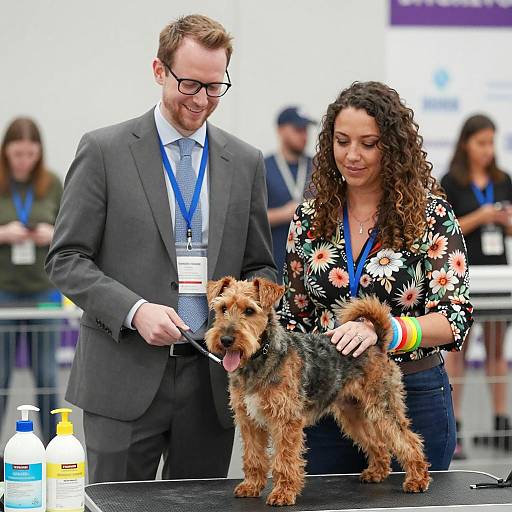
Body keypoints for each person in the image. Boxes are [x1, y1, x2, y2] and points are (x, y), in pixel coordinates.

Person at [45, 14, 276, 484]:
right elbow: (66, 258)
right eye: (189, 83)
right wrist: (135, 310)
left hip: (214, 380)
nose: (201, 100)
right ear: (158, 71)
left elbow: (259, 265)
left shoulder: (246, 162)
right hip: (123, 376)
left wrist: (251, 316)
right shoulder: (104, 151)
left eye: (215, 87)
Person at [278, 81, 473, 473]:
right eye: (342, 140)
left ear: (395, 147)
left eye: (369, 143)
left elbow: (455, 318)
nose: (352, 155)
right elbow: (293, 317)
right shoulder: (308, 219)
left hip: (413, 395)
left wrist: (385, 331)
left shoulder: (430, 216)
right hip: (325, 399)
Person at [441, 114, 512, 459]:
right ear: (466, 143)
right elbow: (448, 227)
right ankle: (457, 426)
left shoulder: (502, 180)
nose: (487, 150)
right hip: (465, 275)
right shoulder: (451, 182)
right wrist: (483, 215)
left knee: (498, 352)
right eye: (481, 142)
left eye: (491, 143)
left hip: (498, 275)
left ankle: (501, 424)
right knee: (459, 354)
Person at [0, 117, 63, 444]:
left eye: (30, 153)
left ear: (39, 152)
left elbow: (69, 230)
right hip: (3, 295)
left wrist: (51, 234)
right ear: (6, 152)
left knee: (46, 377)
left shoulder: (51, 183)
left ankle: (55, 446)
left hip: (43, 292)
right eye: (17, 153)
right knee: (1, 377)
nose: (24, 160)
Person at [265, 107, 315, 282]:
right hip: (274, 266)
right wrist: (285, 214)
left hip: (311, 266)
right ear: (281, 130)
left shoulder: (318, 168)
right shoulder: (263, 167)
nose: (304, 136)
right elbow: (251, 219)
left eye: (306, 131)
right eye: (298, 130)